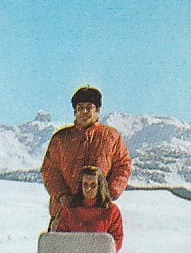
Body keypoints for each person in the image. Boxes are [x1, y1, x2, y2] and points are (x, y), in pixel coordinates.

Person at [41, 86, 131, 220]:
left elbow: (123, 166)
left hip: (98, 212)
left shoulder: (111, 136)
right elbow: (50, 170)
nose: (84, 111)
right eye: (79, 107)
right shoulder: (61, 138)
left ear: (98, 109)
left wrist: (109, 193)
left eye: (89, 107)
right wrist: (62, 196)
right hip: (64, 211)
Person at [53, 167, 124, 252]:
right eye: (85, 185)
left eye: (93, 185)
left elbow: (117, 240)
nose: (88, 189)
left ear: (100, 186)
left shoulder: (111, 211)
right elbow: (61, 237)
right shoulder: (70, 209)